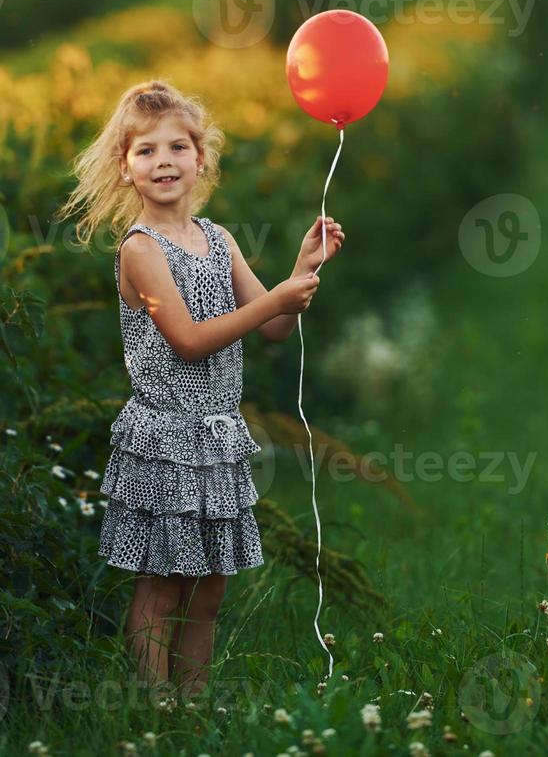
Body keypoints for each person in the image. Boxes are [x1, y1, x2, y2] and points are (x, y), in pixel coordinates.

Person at [59, 79, 344, 698]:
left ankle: (193, 708)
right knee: (162, 583)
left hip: (215, 437)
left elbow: (271, 326)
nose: (163, 161)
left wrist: (301, 271)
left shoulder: (218, 239)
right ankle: (153, 712)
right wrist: (276, 296)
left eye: (177, 147)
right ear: (125, 167)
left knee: (209, 586)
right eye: (146, 151)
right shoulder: (141, 250)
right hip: (164, 436)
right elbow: (187, 341)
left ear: (200, 158)